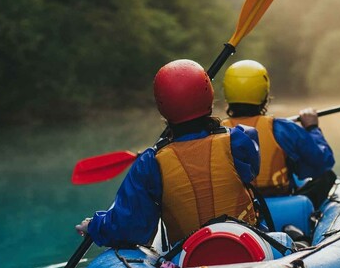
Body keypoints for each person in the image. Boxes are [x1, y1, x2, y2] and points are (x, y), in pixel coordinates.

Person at [76, 59, 261, 248]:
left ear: (162, 106)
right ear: (209, 97)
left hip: (189, 261)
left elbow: (130, 227)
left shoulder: (151, 162)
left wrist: (95, 225)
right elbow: (252, 171)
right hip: (252, 248)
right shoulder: (239, 139)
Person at [221, 60, 335, 207]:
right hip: (283, 206)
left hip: (238, 210)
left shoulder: (217, 133)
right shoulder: (282, 128)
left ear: (227, 92)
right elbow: (323, 161)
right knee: (327, 176)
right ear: (264, 93)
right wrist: (312, 128)